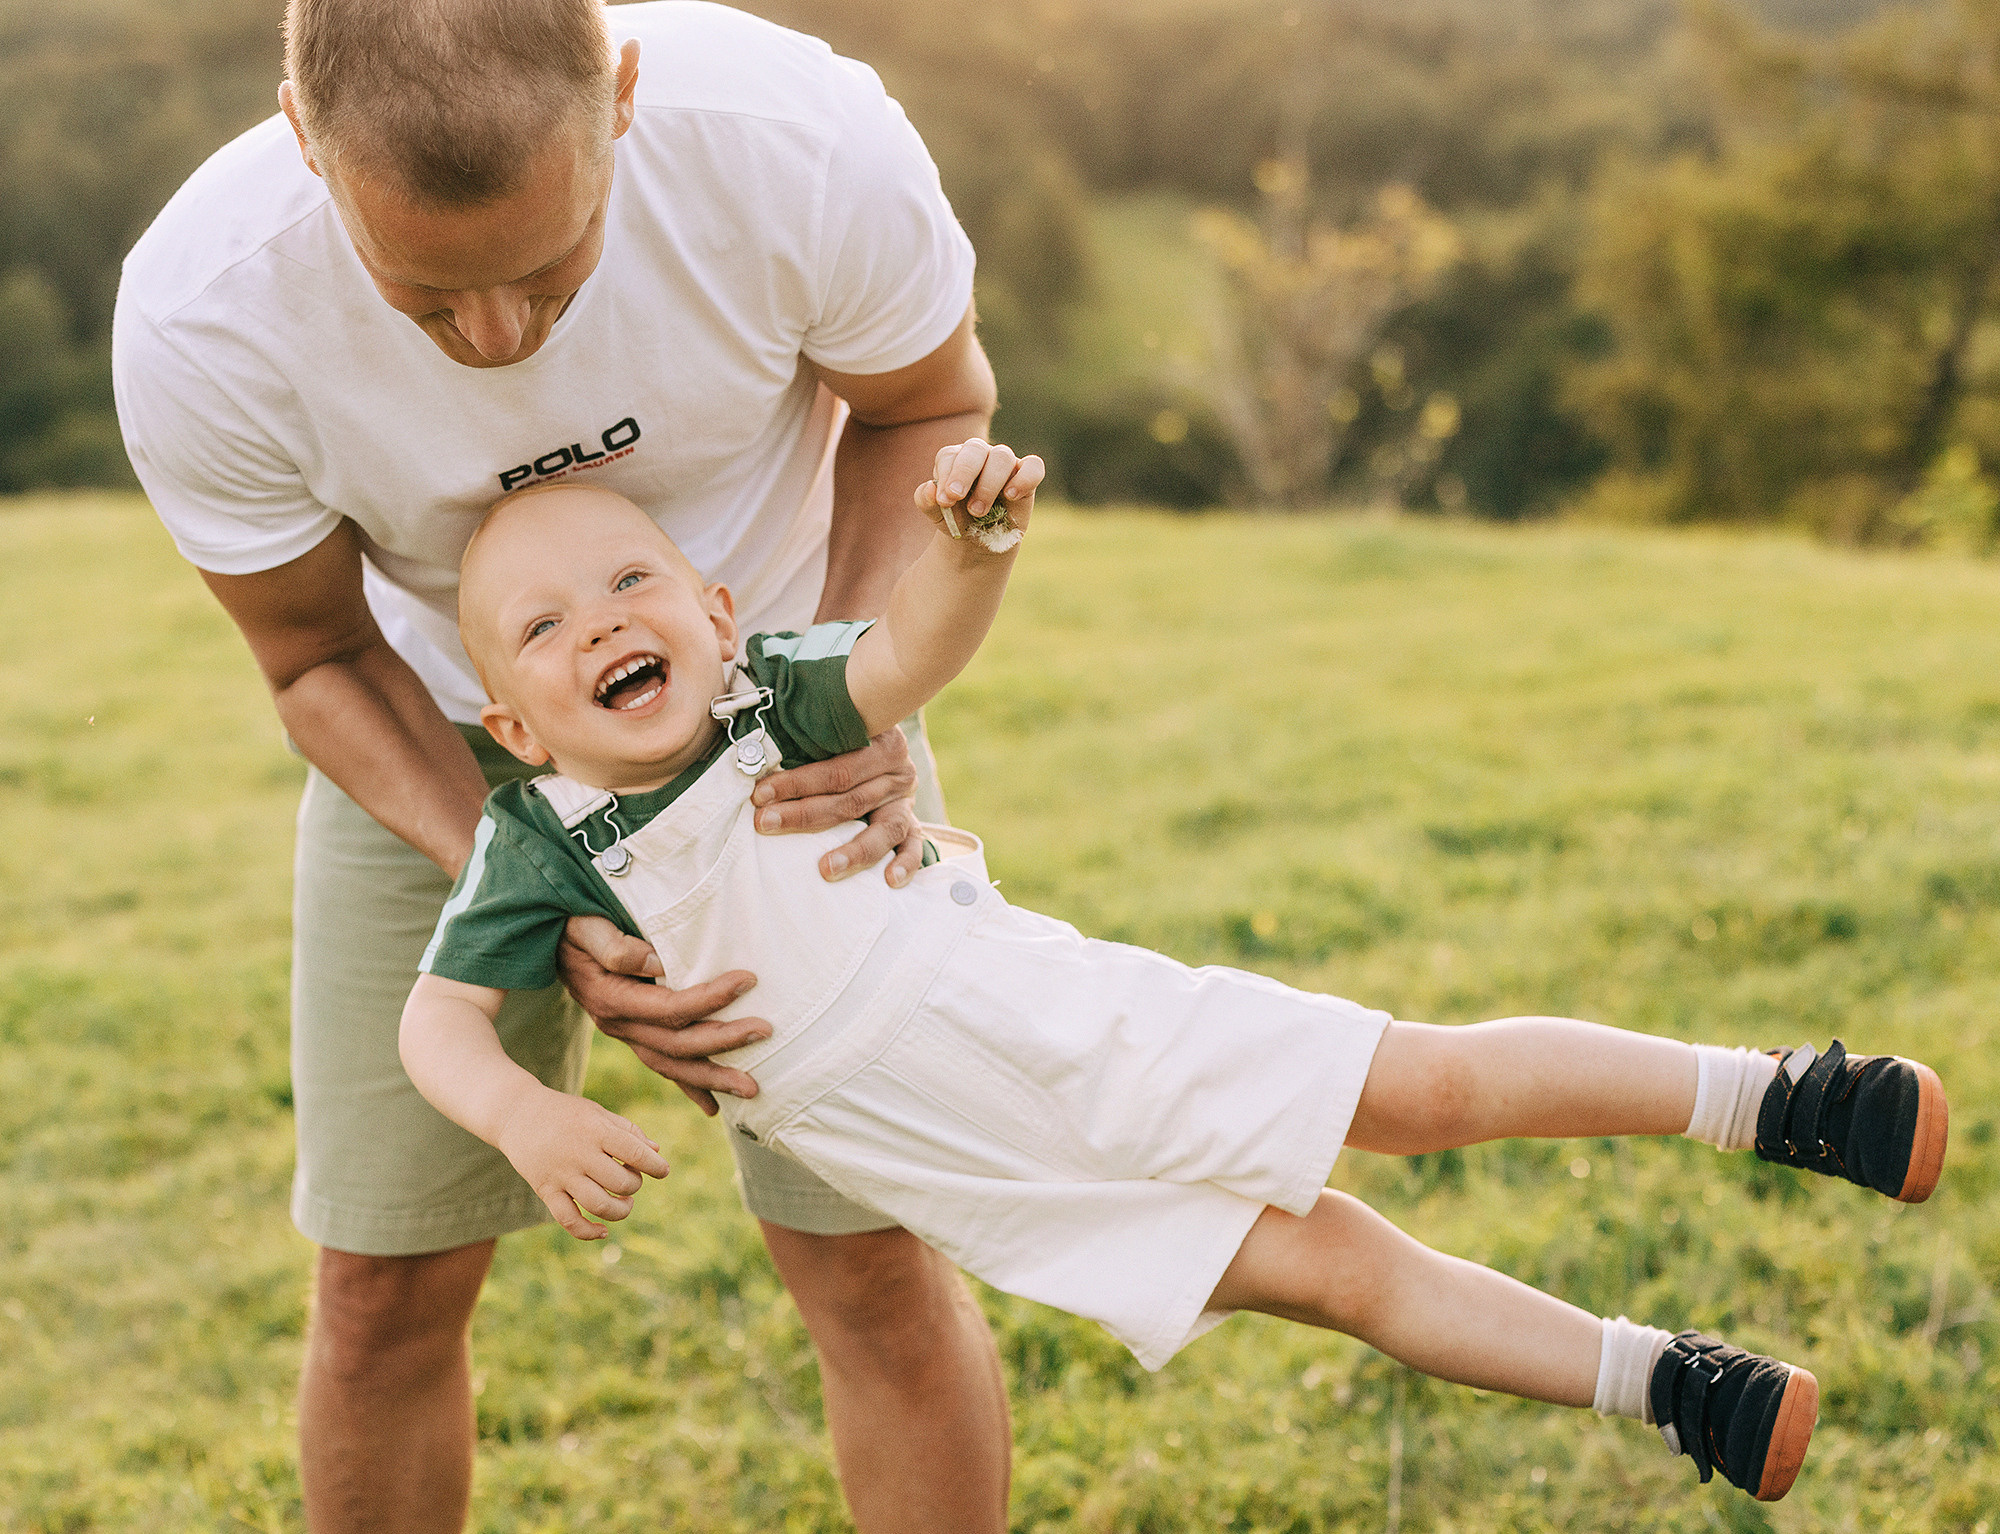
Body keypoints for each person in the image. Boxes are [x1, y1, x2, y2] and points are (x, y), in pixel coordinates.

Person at [403, 447, 1951, 1507]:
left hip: (1067, 1023)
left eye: (628, 580)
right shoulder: (543, 841)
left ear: (715, 612)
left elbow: (912, 655)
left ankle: (1782, 1098)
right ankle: (1678, 1387)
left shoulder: (773, 703)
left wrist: (972, 546)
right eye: (542, 625)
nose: (600, 619)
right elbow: (439, 1019)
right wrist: (526, 1119)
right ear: (516, 725)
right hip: (973, 1172)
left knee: (1425, 1087)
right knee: (1340, 1272)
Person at [110, 2, 1016, 1528]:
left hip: (790, 688)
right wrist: (540, 868)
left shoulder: (793, 142)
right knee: (383, 1288)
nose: (498, 340)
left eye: (549, 270)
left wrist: (849, 697)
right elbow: (316, 660)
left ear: (626, 100)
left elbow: (925, 404)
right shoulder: (205, 314)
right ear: (301, 136)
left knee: (867, 1253)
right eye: (425, 294)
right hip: (445, 732)